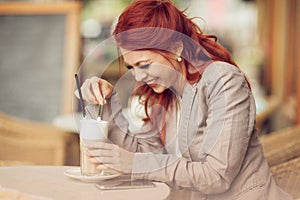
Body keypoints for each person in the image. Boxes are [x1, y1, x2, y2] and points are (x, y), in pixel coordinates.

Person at [76, 0, 293, 199]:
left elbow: (217, 176)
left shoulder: (224, 81)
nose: (139, 77)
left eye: (145, 64)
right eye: (131, 67)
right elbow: (143, 155)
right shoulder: (165, 94)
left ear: (176, 48)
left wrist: (134, 164)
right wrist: (105, 103)